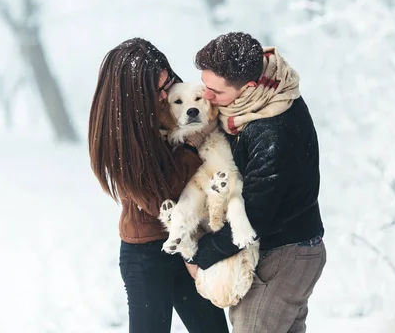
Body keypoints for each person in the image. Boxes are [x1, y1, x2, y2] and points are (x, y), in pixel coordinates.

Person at [186, 32, 326, 333]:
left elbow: (254, 213)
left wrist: (201, 255)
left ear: (249, 86)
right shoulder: (263, 98)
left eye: (216, 92)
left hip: (285, 254)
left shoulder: (273, 129)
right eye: (204, 86)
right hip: (286, 249)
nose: (207, 97)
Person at [88, 38, 229, 333]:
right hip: (146, 254)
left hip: (189, 239)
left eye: (169, 83)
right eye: (159, 89)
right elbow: (160, 198)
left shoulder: (173, 108)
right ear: (134, 95)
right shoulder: (121, 137)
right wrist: (191, 145)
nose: (167, 95)